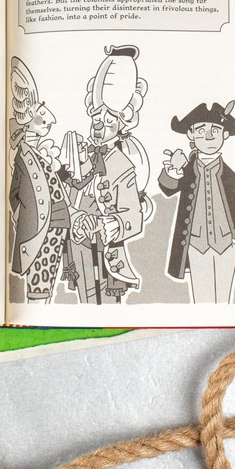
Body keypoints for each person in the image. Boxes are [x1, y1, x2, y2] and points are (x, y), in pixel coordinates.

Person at [60, 45, 149, 304]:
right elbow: (66, 195)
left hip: (105, 249)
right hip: (76, 243)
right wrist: (76, 217)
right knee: (84, 299)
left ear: (121, 125)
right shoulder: (80, 155)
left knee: (106, 305)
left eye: (109, 122)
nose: (99, 127)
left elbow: (133, 217)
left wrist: (103, 224)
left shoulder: (123, 166)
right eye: (97, 120)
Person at [158, 101, 235, 304]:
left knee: (223, 299)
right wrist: (174, 169)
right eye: (201, 130)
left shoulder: (228, 173)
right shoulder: (188, 170)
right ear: (191, 134)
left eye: (215, 130)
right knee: (202, 299)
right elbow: (168, 188)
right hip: (195, 245)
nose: (208, 136)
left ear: (225, 134)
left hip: (227, 244)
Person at [8, 57, 71, 303]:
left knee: (46, 284)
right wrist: (21, 219)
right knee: (40, 285)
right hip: (40, 228)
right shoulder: (25, 155)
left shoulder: (38, 154)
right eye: (41, 116)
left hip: (54, 225)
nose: (50, 121)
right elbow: (14, 194)